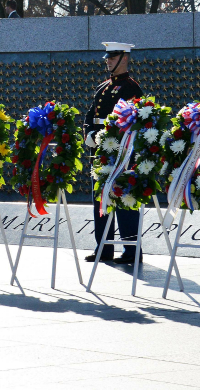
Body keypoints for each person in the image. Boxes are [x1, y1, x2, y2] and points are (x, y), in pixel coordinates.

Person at [82, 42, 143, 264]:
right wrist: (89, 132)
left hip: (122, 151)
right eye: (107, 57)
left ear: (124, 58)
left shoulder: (130, 87)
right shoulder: (103, 87)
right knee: (100, 197)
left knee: (124, 197)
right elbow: (90, 114)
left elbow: (131, 120)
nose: (107, 60)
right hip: (101, 149)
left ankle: (131, 249)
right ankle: (104, 247)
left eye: (112, 57)